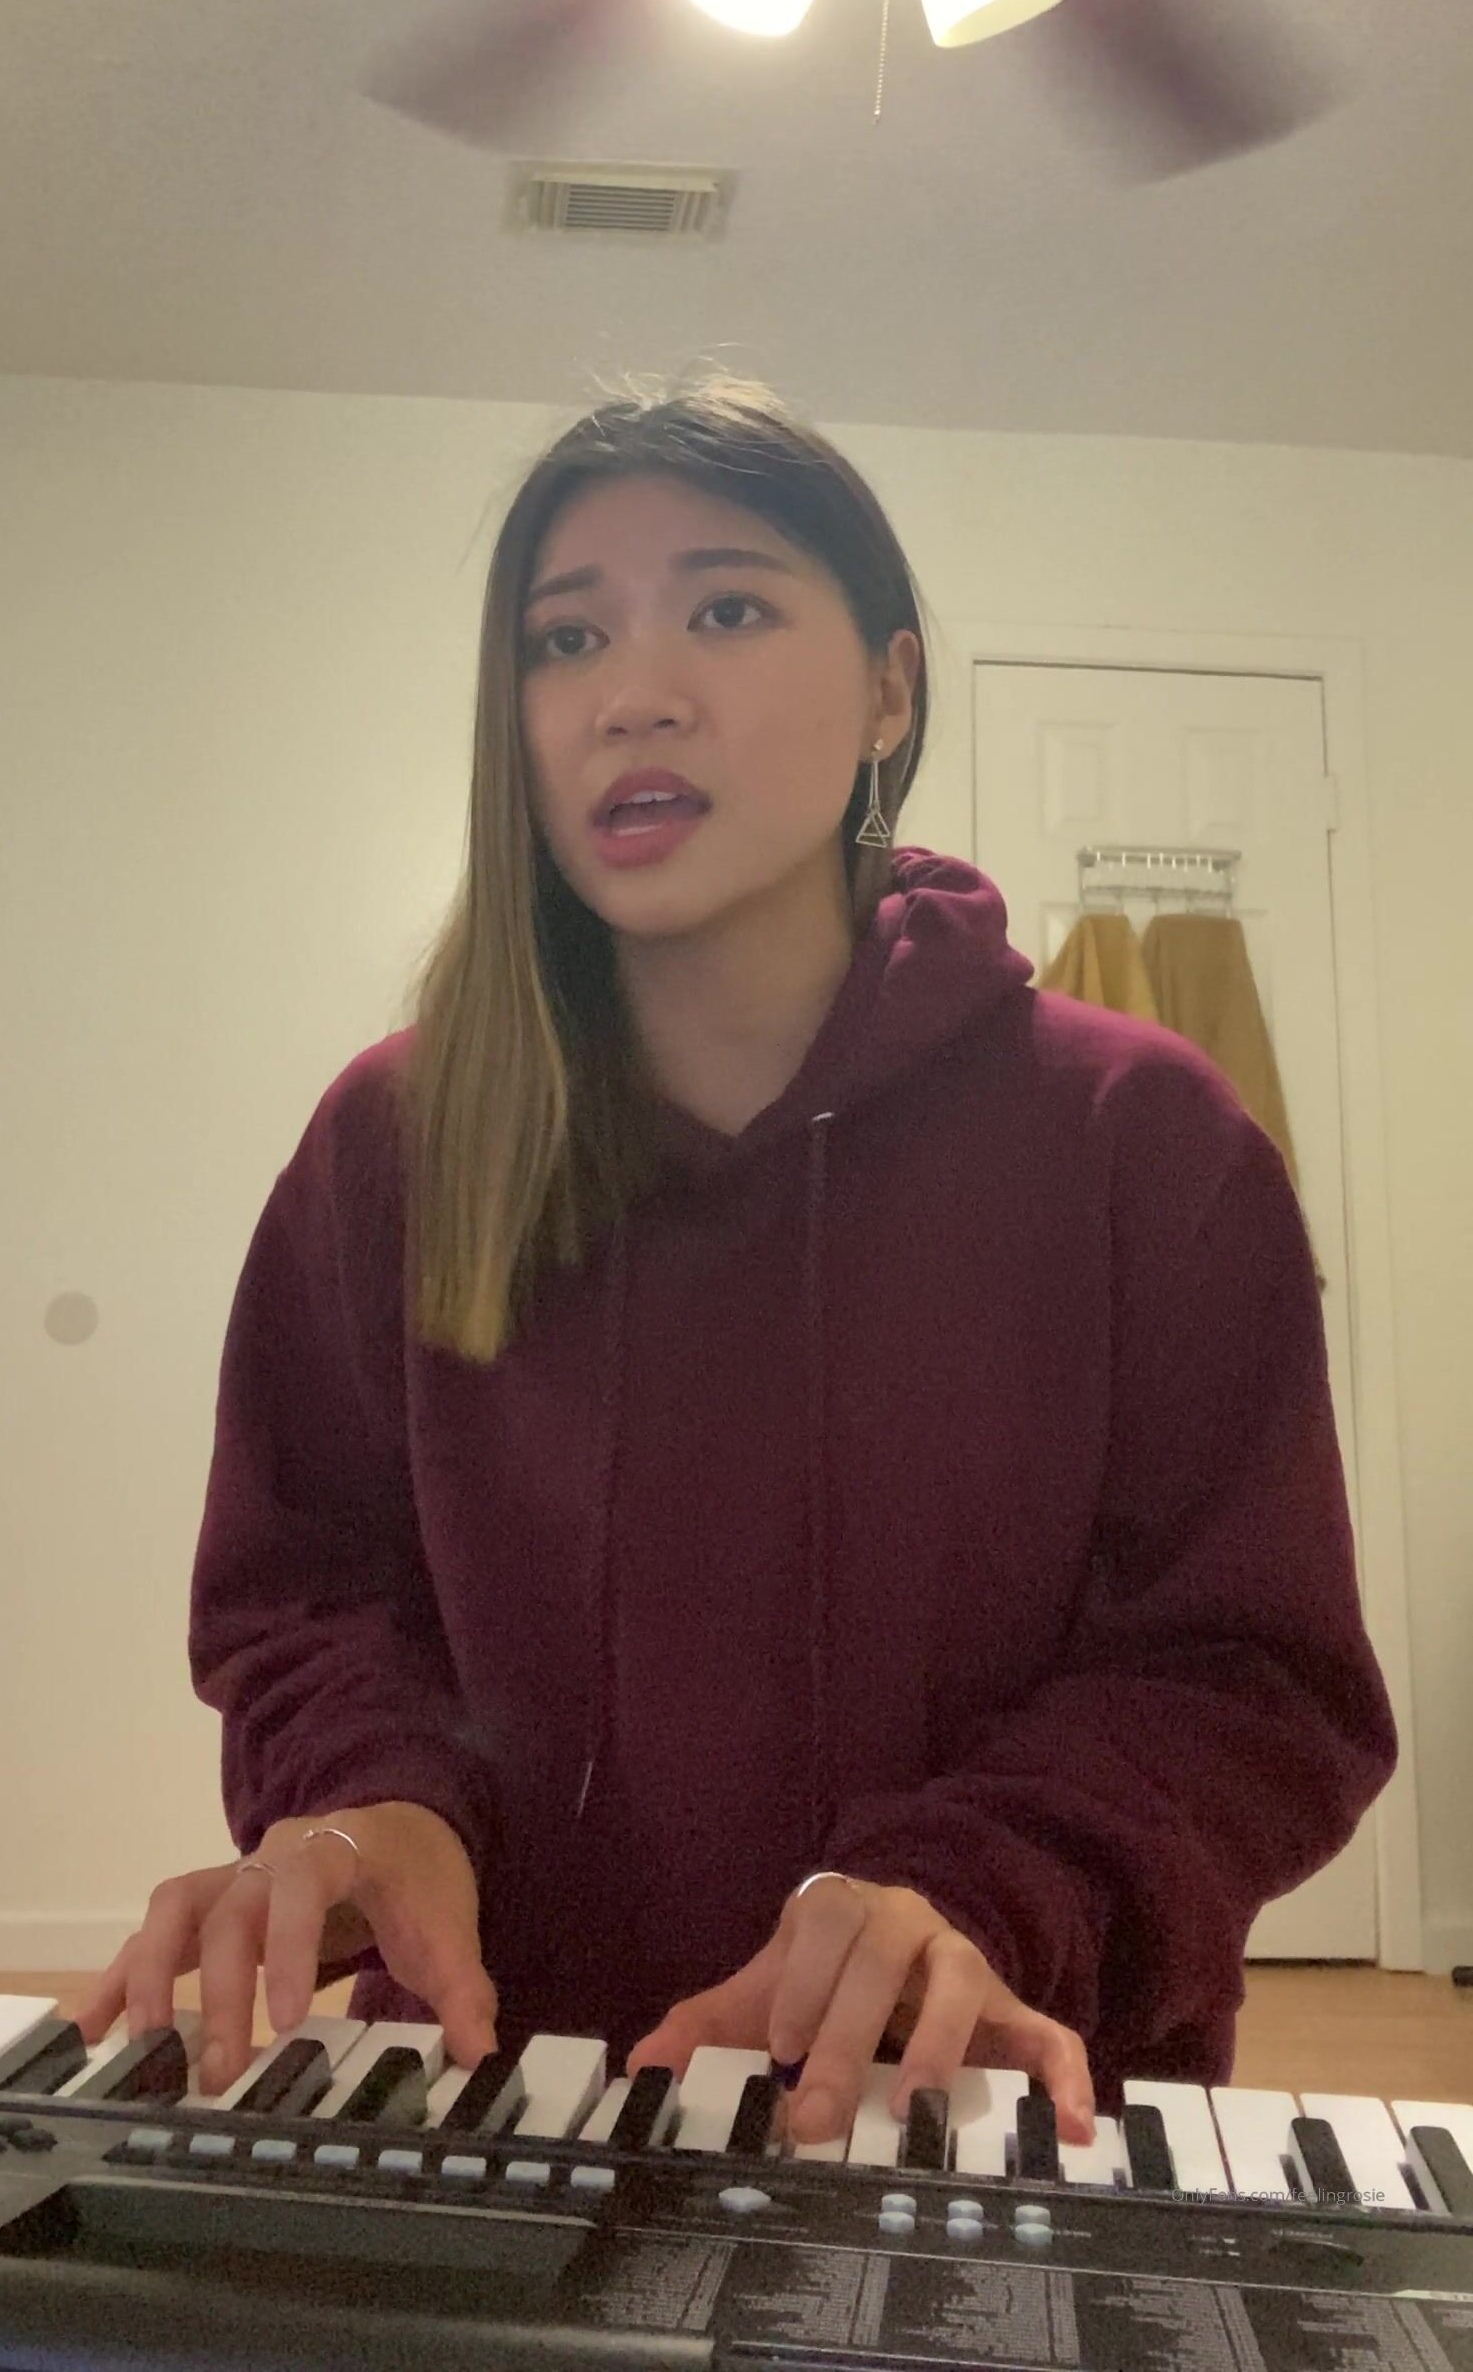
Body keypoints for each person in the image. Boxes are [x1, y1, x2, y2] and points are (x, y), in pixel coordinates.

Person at [77, 376, 1396, 2149]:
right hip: (493, 2107)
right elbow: (308, 1596)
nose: (632, 693)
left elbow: (1256, 1683)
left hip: (987, 2112)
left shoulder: (1140, 1138)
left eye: (726, 610)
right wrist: (373, 1802)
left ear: (891, 692)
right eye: (565, 638)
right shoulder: (395, 1143)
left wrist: (974, 1888)